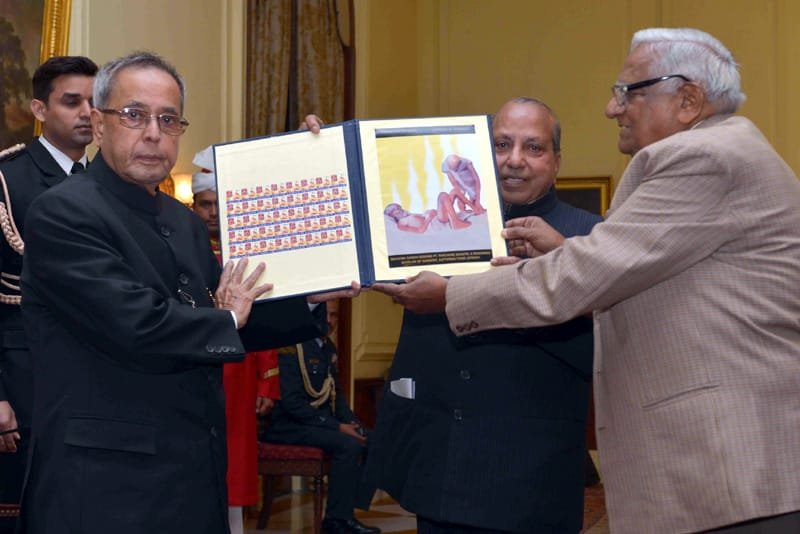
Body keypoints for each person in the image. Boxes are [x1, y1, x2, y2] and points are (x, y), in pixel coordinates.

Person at [374, 28, 800, 534]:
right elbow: (629, 266)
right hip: (722, 468)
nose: (611, 108)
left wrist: (449, 295)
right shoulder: (726, 150)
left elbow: (583, 276)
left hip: (729, 468)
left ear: (687, 100)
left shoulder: (701, 158)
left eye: (628, 92)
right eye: (502, 144)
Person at [17, 51, 348, 534]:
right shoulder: (62, 213)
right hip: (105, 488)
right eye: (134, 115)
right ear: (99, 123)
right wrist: (228, 317)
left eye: (168, 119)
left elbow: (225, 316)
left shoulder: (182, 223)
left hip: (192, 475)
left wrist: (311, 295)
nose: (153, 132)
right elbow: (139, 323)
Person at [304, 98, 601, 533]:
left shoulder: (587, 237)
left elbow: (604, 346)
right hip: (441, 467)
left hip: (531, 476)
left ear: (556, 161)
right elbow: (356, 229)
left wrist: (534, 283)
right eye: (501, 144)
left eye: (533, 148)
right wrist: (323, 159)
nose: (513, 160)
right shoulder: (433, 220)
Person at [0, 55, 97, 534]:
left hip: (101, 386)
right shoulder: (8, 179)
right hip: (26, 383)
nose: (86, 113)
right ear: (39, 109)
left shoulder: (113, 182)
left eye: (94, 102)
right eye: (71, 101)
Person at [190, 149, 282, 534]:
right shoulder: (183, 246)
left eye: (217, 204)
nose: (211, 213)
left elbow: (265, 320)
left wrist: (268, 380)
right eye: (204, 204)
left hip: (240, 373)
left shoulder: (245, 252)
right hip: (193, 366)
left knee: (234, 462)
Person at [267, 299, 380, 534]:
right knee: (347, 445)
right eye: (325, 314)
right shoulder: (292, 346)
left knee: (372, 439)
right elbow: (292, 403)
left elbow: (336, 395)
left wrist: (351, 422)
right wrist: (337, 428)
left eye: (335, 316)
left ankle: (347, 511)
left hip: (316, 425)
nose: (329, 321)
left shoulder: (328, 348)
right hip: (289, 425)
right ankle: (336, 521)